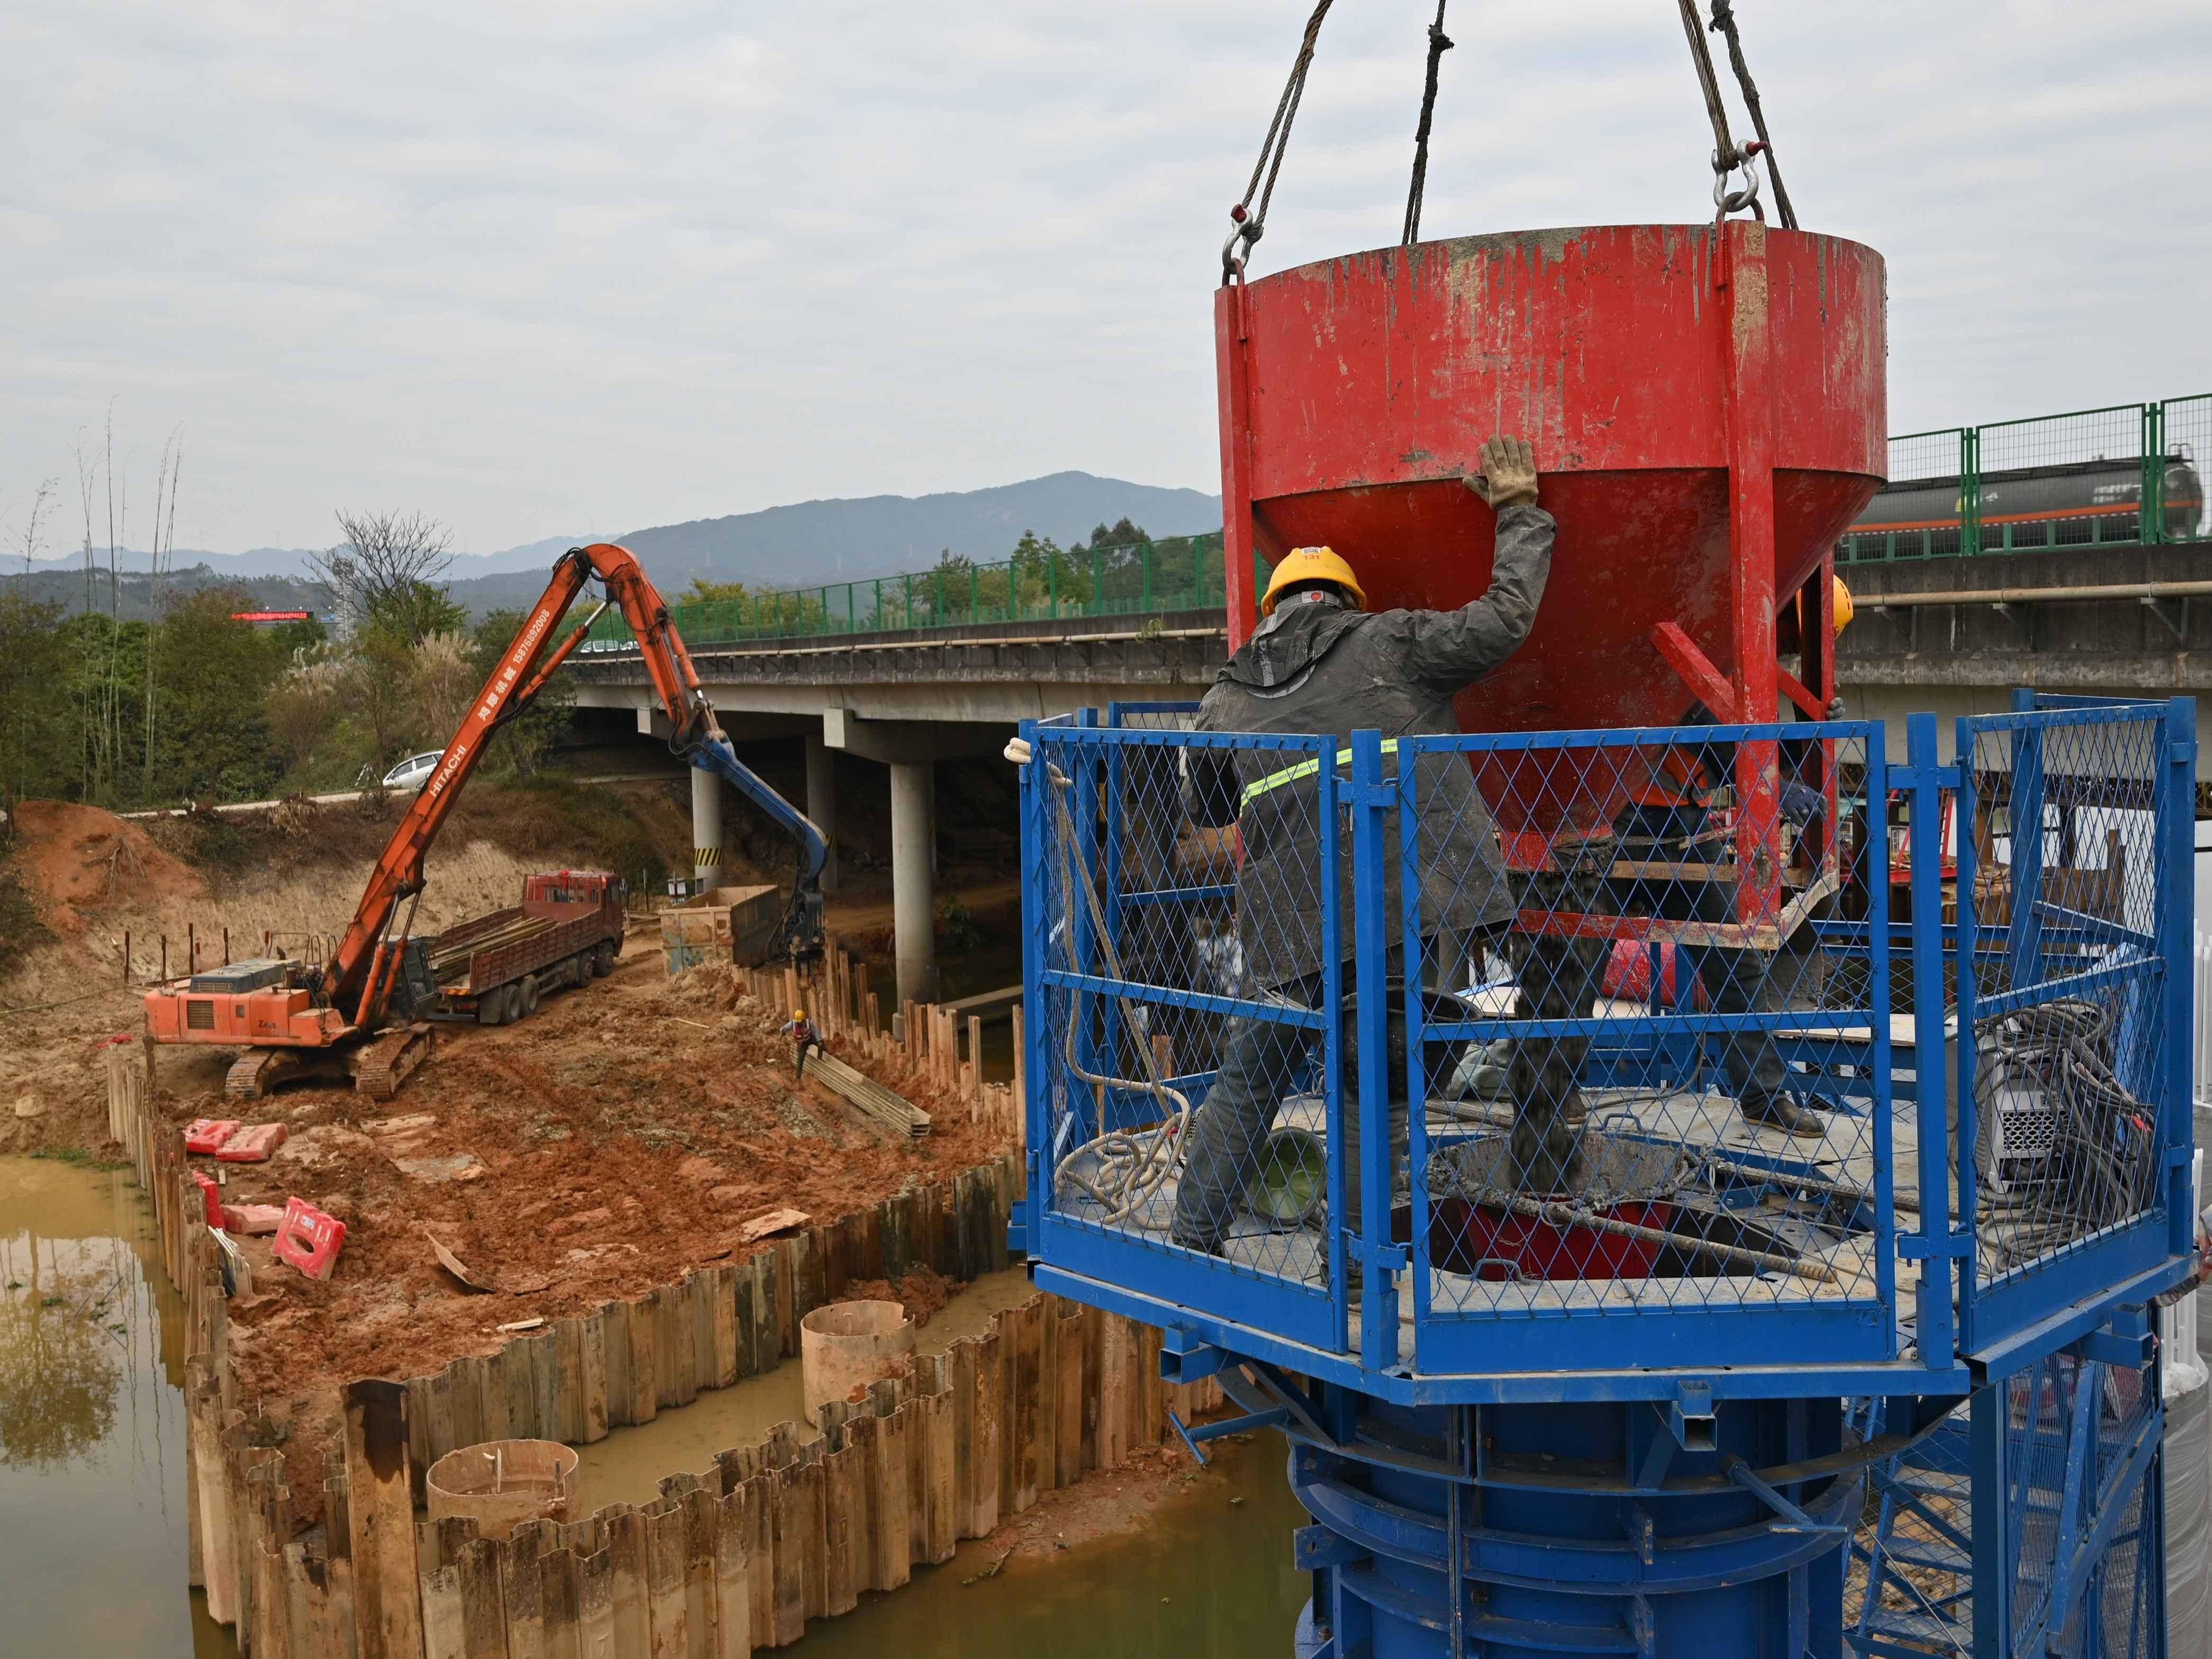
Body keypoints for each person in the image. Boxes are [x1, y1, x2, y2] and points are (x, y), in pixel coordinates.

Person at [1165, 435, 1556, 1258]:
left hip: (1282, 934)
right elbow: (1505, 617)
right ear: (1343, 601)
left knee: (1246, 1087)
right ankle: (1355, 1268)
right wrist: (1519, 511)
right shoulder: (1389, 644)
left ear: (1273, 607)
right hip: (1380, 914)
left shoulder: (1226, 698)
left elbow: (1204, 805)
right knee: (1367, 1090)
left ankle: (1192, 1242)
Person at [1612, 576, 1857, 1139]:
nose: (1788, 650)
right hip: (1620, 819)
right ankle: (1546, 1093)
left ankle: (1763, 1095)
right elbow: (1707, 731)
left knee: (1735, 956)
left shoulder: (1730, 658)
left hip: (1675, 820)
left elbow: (1734, 743)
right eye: (1793, 638)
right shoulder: (1701, 642)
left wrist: (1802, 739)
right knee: (1569, 956)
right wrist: (1767, 782)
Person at [780, 1009, 824, 1081]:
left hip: (810, 1039)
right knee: (800, 1060)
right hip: (802, 1044)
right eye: (798, 1022)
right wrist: (782, 1031)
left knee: (822, 1044)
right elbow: (783, 1028)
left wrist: (819, 1041)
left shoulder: (809, 1023)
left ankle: (819, 1058)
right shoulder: (793, 1024)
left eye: (800, 1022)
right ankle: (798, 1078)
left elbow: (816, 1032)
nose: (799, 1023)